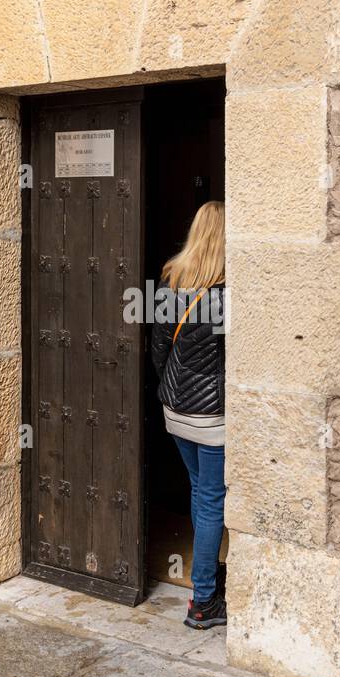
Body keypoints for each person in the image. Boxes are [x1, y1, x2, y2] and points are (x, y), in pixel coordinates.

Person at [150, 201, 228, 629]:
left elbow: (159, 349)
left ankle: (205, 581)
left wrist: (171, 389)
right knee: (212, 499)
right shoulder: (226, 295)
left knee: (200, 492)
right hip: (213, 416)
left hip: (175, 409)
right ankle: (203, 600)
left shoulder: (170, 282)